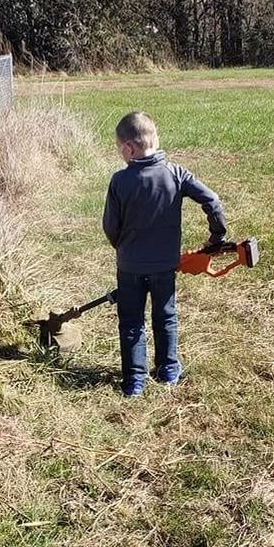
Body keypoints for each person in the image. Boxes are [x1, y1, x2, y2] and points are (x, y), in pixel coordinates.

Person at [102, 111, 227, 396]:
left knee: (132, 321)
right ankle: (168, 369)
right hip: (164, 267)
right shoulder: (177, 174)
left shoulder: (120, 181)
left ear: (127, 149)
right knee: (165, 315)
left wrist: (123, 249)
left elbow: (110, 226)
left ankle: (134, 380)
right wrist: (217, 235)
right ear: (155, 141)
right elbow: (212, 200)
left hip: (130, 266)